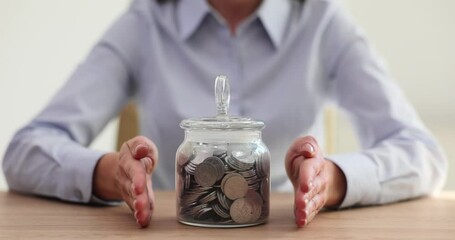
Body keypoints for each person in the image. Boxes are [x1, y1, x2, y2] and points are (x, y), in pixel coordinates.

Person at [2, 0, 447, 228]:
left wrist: (330, 180)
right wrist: (111, 174)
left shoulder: (323, 22)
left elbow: (423, 155)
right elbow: (25, 150)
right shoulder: (145, 23)